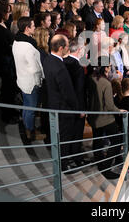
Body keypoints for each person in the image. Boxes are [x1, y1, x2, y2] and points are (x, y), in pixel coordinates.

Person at [42, 35, 80, 173]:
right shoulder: (60, 68)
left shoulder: (47, 59)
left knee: (59, 136)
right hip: (63, 108)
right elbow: (68, 93)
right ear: (60, 48)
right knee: (64, 138)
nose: (68, 49)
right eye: (66, 46)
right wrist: (76, 109)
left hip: (53, 103)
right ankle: (63, 166)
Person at [87, 60, 126, 180]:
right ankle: (106, 168)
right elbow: (109, 105)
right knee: (116, 141)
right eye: (109, 66)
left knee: (97, 141)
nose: (110, 68)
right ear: (105, 68)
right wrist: (119, 111)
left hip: (93, 117)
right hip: (105, 118)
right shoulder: (106, 83)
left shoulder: (89, 78)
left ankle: (100, 165)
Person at [12, 17, 46, 141]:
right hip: (30, 81)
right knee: (31, 108)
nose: (35, 28)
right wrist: (42, 77)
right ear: (27, 28)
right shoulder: (28, 46)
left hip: (22, 78)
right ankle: (30, 132)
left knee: (27, 106)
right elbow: (34, 68)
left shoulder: (17, 41)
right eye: (33, 26)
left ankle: (28, 128)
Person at [0, 0, 19, 124]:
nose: (9, 14)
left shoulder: (2, 24)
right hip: (4, 64)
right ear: (1, 13)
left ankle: (10, 111)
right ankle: (6, 115)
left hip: (8, 62)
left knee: (10, 89)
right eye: (7, 12)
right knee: (8, 90)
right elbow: (2, 47)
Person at [63, 39, 89, 167]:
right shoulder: (77, 67)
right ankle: (76, 158)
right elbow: (79, 91)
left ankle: (70, 157)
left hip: (66, 106)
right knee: (76, 134)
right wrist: (81, 109)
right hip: (76, 108)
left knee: (68, 134)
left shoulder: (64, 62)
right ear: (78, 51)